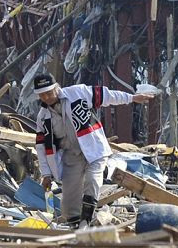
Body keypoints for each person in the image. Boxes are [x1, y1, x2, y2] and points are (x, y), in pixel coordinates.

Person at [32, 73, 154, 228]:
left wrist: (131, 98)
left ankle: (86, 222)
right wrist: (46, 174)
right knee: (69, 202)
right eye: (42, 95)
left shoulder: (77, 93)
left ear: (57, 88)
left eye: (49, 93)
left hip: (94, 149)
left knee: (92, 181)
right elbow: (41, 147)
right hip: (71, 156)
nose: (47, 97)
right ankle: (76, 228)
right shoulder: (42, 117)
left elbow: (107, 96)